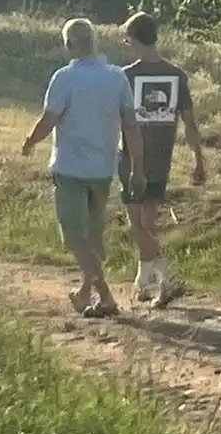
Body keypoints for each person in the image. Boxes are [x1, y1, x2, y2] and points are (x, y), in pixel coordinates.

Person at [22, 17, 143, 318]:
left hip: (70, 168)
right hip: (103, 170)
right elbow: (131, 124)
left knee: (74, 235)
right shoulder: (117, 78)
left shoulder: (64, 78)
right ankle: (84, 291)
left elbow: (49, 120)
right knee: (91, 237)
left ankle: (105, 295)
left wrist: (29, 141)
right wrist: (137, 166)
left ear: (69, 45)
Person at [118, 11, 205, 307]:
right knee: (147, 222)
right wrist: (198, 160)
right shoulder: (176, 75)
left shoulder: (127, 76)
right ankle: (143, 282)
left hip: (132, 157)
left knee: (135, 225)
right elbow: (190, 123)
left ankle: (167, 277)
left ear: (132, 39)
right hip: (162, 157)